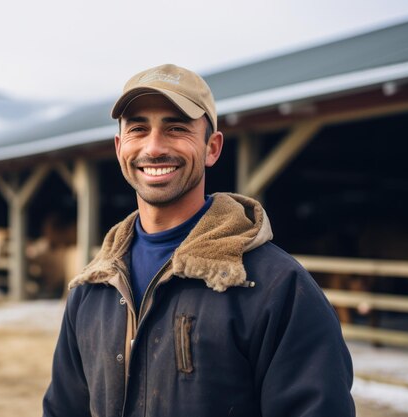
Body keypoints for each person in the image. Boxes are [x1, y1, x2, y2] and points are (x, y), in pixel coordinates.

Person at [43, 64, 355, 417]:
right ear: (119, 148)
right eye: (138, 129)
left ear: (212, 148)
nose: (154, 147)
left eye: (176, 128)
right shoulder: (93, 288)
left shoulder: (276, 287)